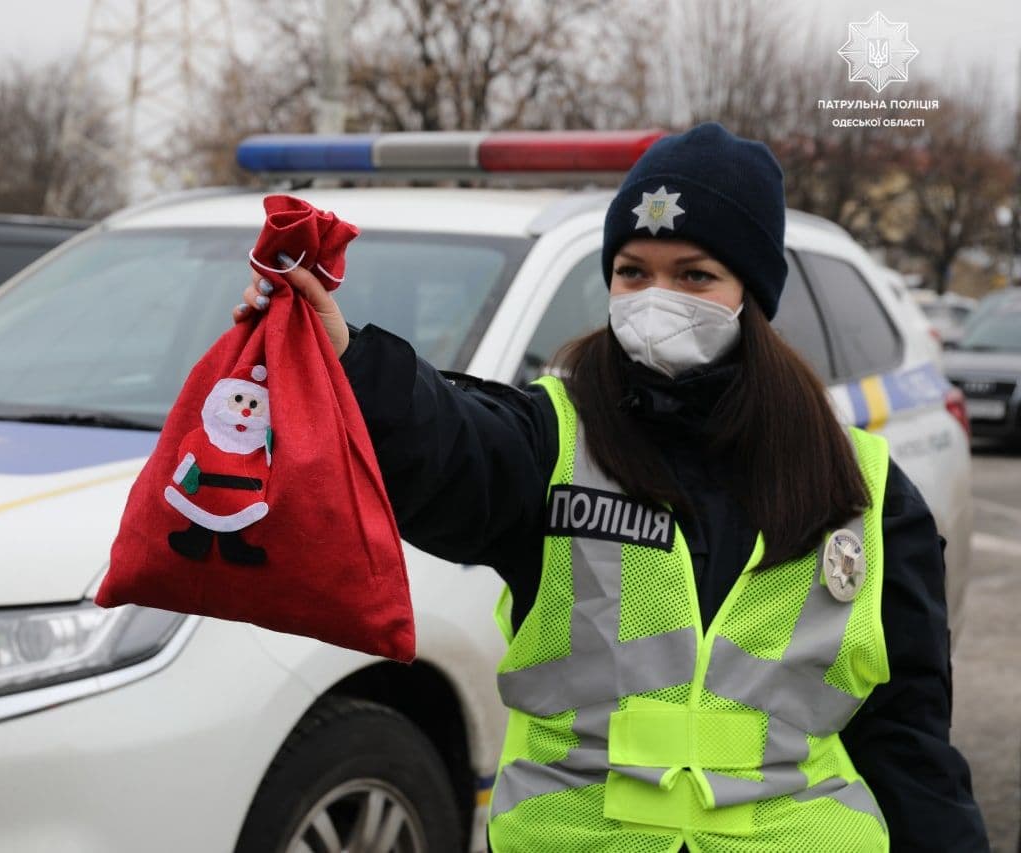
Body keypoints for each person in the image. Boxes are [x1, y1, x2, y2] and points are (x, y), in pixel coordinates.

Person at [234, 123, 987, 852]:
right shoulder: (553, 439)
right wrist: (346, 360)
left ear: (751, 296)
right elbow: (445, 439)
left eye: (694, 274)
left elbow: (907, 738)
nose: (656, 297)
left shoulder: (865, 490)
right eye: (633, 271)